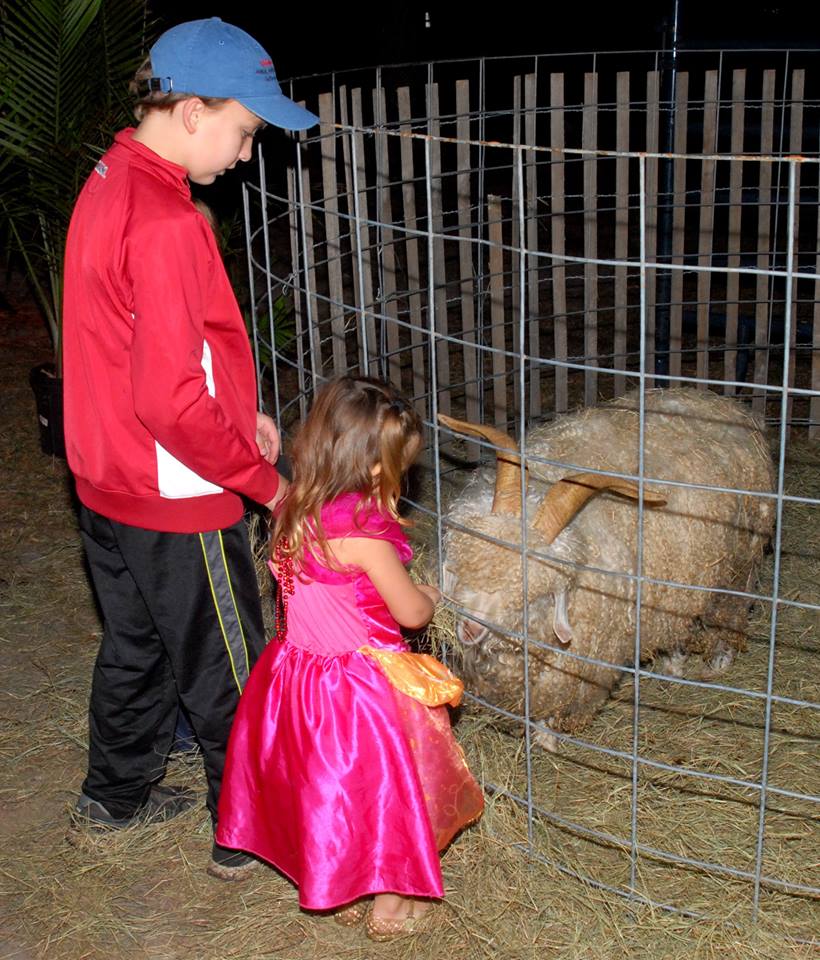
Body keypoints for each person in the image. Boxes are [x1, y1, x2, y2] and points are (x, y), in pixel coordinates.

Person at [61, 17, 317, 878]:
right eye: (247, 131)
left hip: (108, 477)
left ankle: (114, 794)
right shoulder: (170, 220)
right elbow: (170, 396)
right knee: (229, 669)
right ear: (196, 108)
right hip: (178, 495)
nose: (247, 156)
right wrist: (260, 479)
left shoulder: (108, 179)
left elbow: (132, 342)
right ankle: (247, 830)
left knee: (136, 646)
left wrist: (237, 412)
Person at [215, 377, 484, 942]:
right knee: (389, 785)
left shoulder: (290, 510)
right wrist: (432, 594)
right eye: (401, 466)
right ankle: (389, 897)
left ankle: (337, 884)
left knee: (328, 787)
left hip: (297, 677)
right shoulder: (365, 535)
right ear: (378, 469)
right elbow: (410, 614)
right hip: (361, 689)